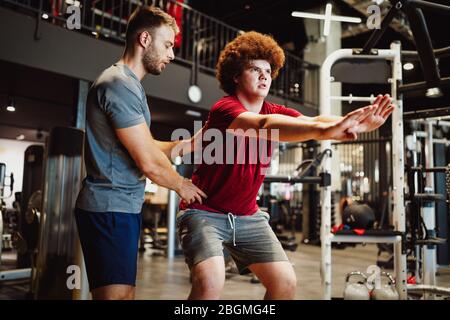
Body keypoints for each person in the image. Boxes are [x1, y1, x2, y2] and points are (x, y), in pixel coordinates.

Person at [176, 31, 394, 300]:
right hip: (205, 212)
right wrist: (329, 130)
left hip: (247, 215)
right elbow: (265, 127)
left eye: (268, 70)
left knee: (285, 283)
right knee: (210, 281)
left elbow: (311, 120)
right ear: (235, 76)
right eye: (254, 69)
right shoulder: (225, 109)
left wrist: (350, 123)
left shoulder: (274, 109)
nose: (264, 75)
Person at [75, 6, 206, 300]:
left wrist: (188, 145)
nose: (172, 55)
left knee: (125, 294)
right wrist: (182, 185)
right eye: (168, 45)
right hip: (110, 206)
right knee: (116, 297)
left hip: (122, 207)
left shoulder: (130, 85)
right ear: (145, 39)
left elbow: (146, 146)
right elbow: (148, 162)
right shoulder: (118, 84)